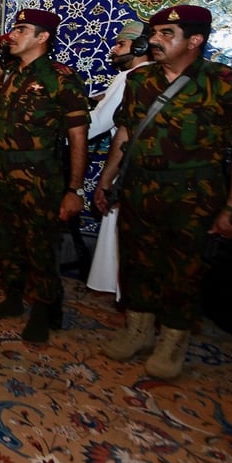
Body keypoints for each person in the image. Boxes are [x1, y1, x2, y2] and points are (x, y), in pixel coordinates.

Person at [95, 5, 232, 379]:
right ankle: (138, 331)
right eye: (155, 33)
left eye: (168, 34)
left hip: (192, 194)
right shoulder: (139, 81)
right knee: (136, 261)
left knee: (183, 269)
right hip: (139, 187)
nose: (155, 40)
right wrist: (106, 180)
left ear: (195, 40)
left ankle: (172, 342)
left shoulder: (227, 83)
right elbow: (125, 134)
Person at [0, 9, 90, 344]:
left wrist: (74, 188)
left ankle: (43, 310)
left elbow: (78, 136)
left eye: (21, 29)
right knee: (7, 240)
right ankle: (13, 297)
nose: (12, 34)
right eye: (14, 28)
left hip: (39, 176)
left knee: (41, 245)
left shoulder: (61, 77)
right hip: (4, 173)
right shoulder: (12, 74)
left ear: (42, 37)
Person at [85, 21, 154, 297]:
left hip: (124, 166)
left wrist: (61, 133)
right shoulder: (156, 75)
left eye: (120, 44)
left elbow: (98, 123)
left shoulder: (131, 76)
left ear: (140, 47)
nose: (114, 49)